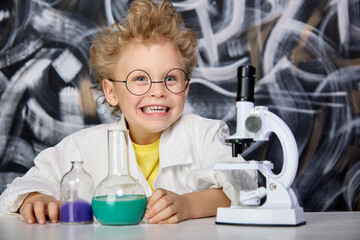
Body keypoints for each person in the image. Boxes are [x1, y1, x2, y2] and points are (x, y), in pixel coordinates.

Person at [0, 0, 256, 224]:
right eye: (140, 79)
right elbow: (27, 184)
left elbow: (246, 186)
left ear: (186, 89)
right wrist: (36, 198)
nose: (157, 91)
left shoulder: (205, 135)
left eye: (170, 79)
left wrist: (189, 205)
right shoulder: (84, 147)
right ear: (111, 92)